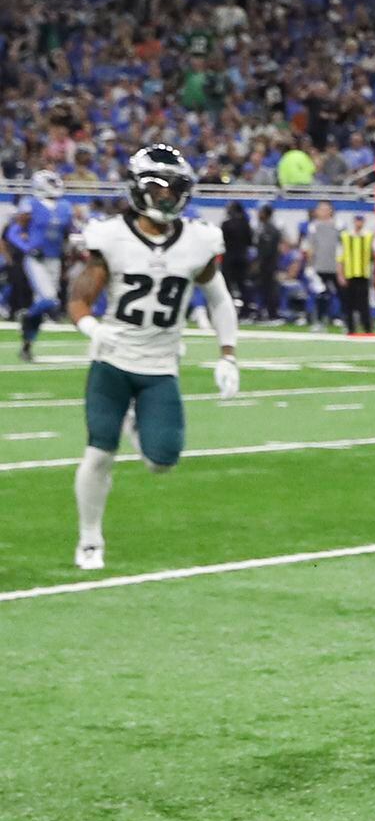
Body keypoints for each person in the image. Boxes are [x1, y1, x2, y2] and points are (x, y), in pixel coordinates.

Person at [65, 145, 241, 570]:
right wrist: (93, 328)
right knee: (99, 454)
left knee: (162, 461)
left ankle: (135, 422)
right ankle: (90, 540)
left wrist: (228, 355)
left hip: (161, 366)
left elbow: (218, 299)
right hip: (112, 361)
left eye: (174, 188)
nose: (166, 197)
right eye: (158, 187)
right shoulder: (110, 236)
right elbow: (79, 298)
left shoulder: (198, 240)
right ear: (138, 188)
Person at [6, 170, 75, 360]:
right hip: (37, 259)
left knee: (45, 304)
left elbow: (68, 235)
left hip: (55, 259)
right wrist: (28, 248)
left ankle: (26, 346)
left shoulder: (64, 206)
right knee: (48, 299)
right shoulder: (31, 204)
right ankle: (26, 317)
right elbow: (13, 232)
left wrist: (70, 255)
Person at [305, 202, 342, 326]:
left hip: (335, 266)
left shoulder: (338, 226)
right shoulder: (313, 226)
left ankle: (341, 318)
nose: (323, 212)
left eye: (326, 209)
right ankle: (320, 320)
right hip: (319, 266)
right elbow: (311, 246)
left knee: (341, 293)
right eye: (321, 209)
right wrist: (310, 265)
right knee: (321, 294)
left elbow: (342, 246)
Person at [338, 212, 375, 335]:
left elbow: (373, 255)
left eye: (361, 221)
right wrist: (340, 274)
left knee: (364, 303)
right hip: (349, 274)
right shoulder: (345, 236)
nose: (359, 223)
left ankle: (367, 328)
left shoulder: (369, 236)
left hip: (363, 274)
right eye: (357, 220)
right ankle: (350, 328)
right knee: (349, 303)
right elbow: (340, 257)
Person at [219, 200, 253, 320]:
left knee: (227, 286)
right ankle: (246, 312)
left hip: (229, 258)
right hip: (242, 257)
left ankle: (227, 311)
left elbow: (221, 242)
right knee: (243, 286)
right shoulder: (245, 223)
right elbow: (250, 241)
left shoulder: (226, 224)